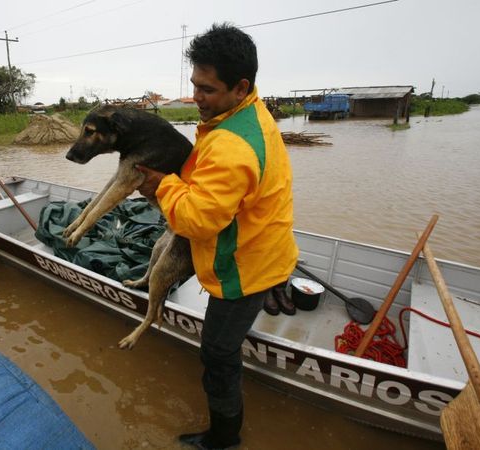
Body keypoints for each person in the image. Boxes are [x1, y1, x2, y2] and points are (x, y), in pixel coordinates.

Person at [136, 23, 299, 449]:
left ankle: (225, 437)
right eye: (194, 85)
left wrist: (163, 184)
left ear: (240, 85)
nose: (196, 98)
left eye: (206, 89)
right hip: (269, 246)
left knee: (218, 353)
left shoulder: (231, 146)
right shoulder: (251, 113)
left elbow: (194, 222)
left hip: (243, 268)